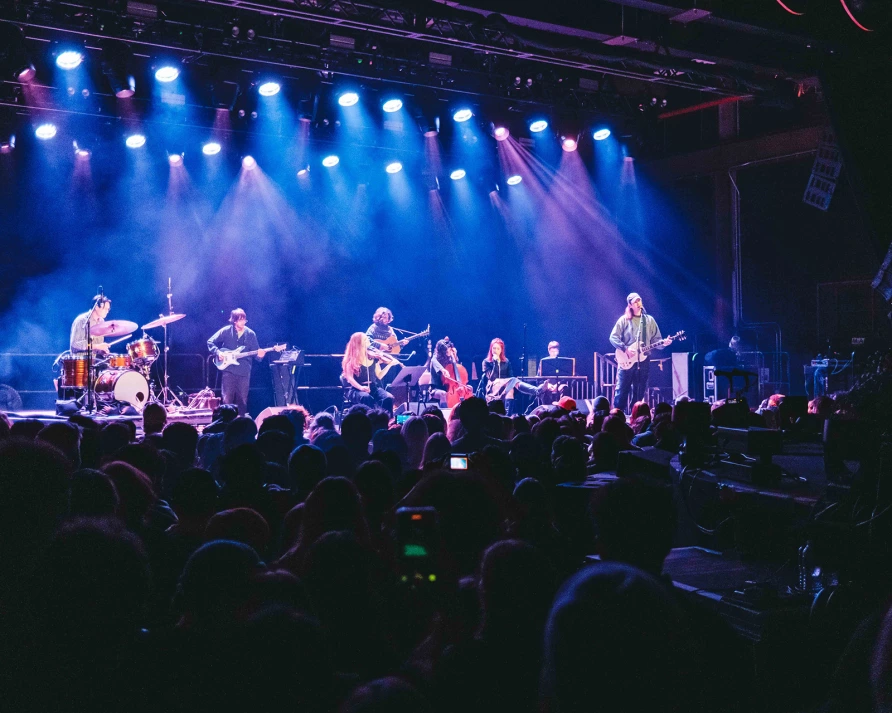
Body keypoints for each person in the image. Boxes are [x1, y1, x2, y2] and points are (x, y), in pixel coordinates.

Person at [609, 293, 671, 412]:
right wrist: (625, 349)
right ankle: (617, 416)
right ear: (630, 305)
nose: (638, 303)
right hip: (626, 360)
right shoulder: (624, 320)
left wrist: (664, 343)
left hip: (643, 361)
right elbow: (613, 337)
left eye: (639, 300)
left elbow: (657, 340)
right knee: (622, 391)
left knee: (639, 391)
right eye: (635, 301)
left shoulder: (649, 320)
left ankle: (635, 416)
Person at [207, 308, 267, 417]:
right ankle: (225, 424)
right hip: (228, 371)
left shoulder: (250, 334)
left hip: (244, 372)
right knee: (227, 400)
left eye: (244, 319)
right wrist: (218, 352)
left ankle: (241, 426)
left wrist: (260, 355)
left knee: (242, 401)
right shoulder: (226, 331)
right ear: (234, 321)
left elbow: (256, 354)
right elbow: (210, 341)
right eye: (240, 320)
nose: (243, 322)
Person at [478, 338, 545, 415]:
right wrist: (495, 363)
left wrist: (508, 382)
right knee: (512, 381)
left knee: (510, 389)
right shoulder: (486, 362)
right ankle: (536, 390)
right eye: (494, 348)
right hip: (493, 387)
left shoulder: (506, 361)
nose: (495, 350)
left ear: (501, 350)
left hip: (505, 386)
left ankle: (507, 416)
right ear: (491, 349)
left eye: (498, 348)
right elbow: (492, 378)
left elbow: (510, 376)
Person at [340, 332, 395, 413]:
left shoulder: (372, 357)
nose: (368, 341)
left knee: (388, 397)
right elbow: (350, 378)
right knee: (366, 397)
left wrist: (389, 365)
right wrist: (361, 388)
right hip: (357, 390)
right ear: (358, 343)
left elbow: (379, 375)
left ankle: (387, 422)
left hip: (373, 387)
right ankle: (370, 421)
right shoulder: (351, 359)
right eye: (365, 340)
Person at [537, 340, 572, 405]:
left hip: (560, 384)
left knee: (565, 388)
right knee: (544, 390)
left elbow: (567, 376)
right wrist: (547, 384)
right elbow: (539, 378)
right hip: (547, 384)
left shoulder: (563, 361)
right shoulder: (543, 361)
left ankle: (563, 408)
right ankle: (546, 410)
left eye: (556, 351)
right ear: (549, 351)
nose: (554, 353)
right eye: (552, 351)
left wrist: (558, 384)